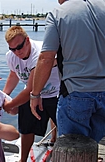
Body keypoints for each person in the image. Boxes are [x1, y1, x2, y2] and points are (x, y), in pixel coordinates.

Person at [30, 0, 105, 145]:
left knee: (72, 153)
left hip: (76, 92)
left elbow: (46, 58)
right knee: (92, 147)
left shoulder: (58, 13)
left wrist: (35, 94)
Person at [2, 26, 60, 162]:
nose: (17, 52)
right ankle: (22, 161)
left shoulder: (39, 52)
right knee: (26, 128)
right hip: (32, 96)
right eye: (12, 49)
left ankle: (56, 143)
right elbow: (14, 75)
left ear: (27, 40)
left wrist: (10, 105)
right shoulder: (12, 56)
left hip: (55, 93)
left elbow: (32, 88)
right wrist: (3, 97)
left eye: (19, 47)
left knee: (63, 126)